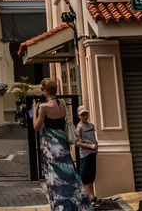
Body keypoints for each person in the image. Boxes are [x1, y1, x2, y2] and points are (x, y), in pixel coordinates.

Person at [32, 78, 91, 211]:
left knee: (55, 176)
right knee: (68, 172)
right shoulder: (62, 103)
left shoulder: (45, 107)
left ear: (45, 91)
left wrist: (35, 110)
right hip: (62, 142)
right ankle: (77, 203)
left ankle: (61, 206)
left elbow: (36, 126)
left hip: (51, 145)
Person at [76, 105, 100, 206]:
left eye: (86, 114)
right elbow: (76, 142)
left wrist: (96, 145)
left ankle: (92, 196)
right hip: (85, 154)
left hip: (93, 154)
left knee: (91, 176)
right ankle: (91, 197)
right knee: (85, 177)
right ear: (79, 116)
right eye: (83, 114)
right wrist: (90, 146)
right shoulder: (79, 127)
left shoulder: (91, 125)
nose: (85, 116)